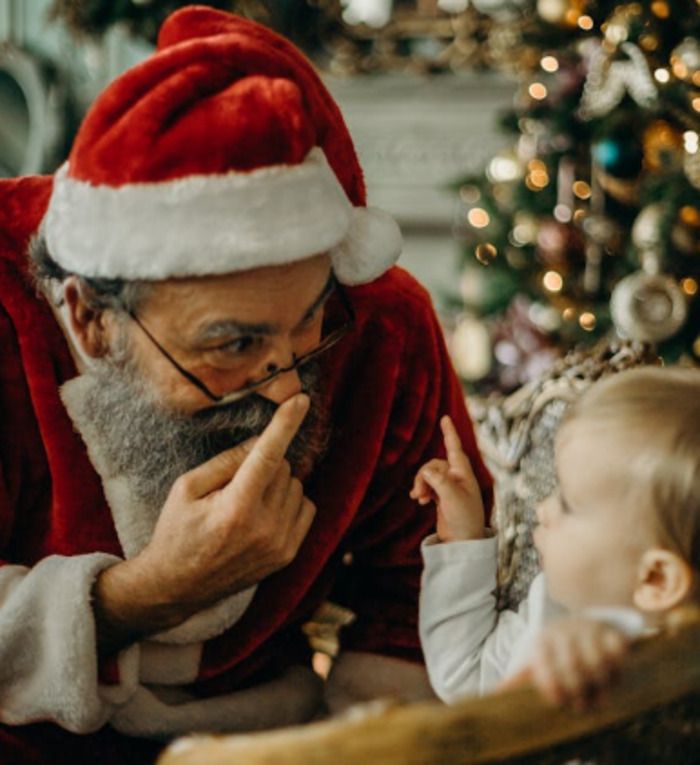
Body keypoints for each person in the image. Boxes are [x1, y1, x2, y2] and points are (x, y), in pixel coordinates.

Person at [0, 6, 493, 763]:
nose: (286, 388)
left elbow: (415, 594)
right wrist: (143, 595)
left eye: (310, 322)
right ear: (91, 319)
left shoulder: (382, 323)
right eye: (233, 343)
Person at [414, 366, 700, 709]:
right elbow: (467, 676)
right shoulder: (551, 602)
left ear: (656, 578)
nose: (542, 509)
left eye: (567, 503)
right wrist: (462, 539)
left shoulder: (676, 685)